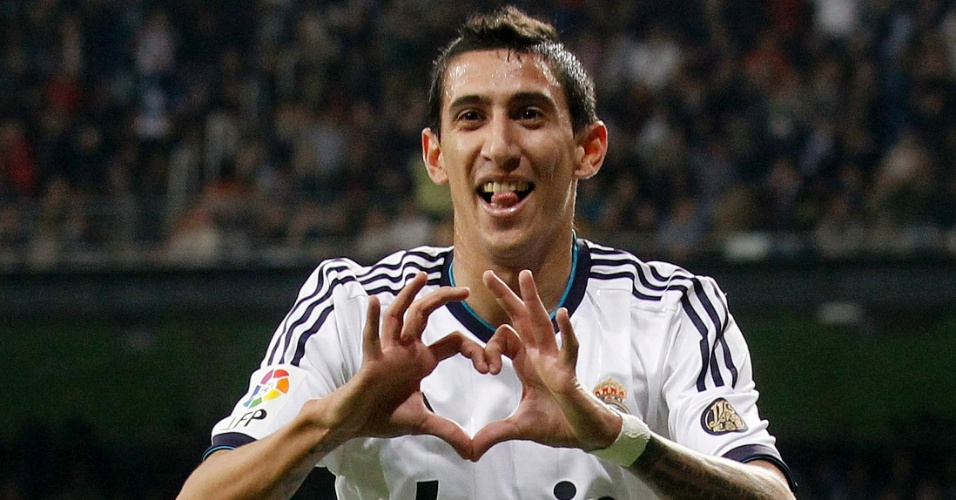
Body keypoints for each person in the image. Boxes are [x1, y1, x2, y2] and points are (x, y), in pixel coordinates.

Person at [178, 6, 797, 499]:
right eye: (471, 117)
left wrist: (616, 436)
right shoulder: (352, 309)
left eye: (529, 114)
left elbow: (769, 493)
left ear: (588, 149)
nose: (499, 147)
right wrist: (333, 419)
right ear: (436, 156)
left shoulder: (672, 311)